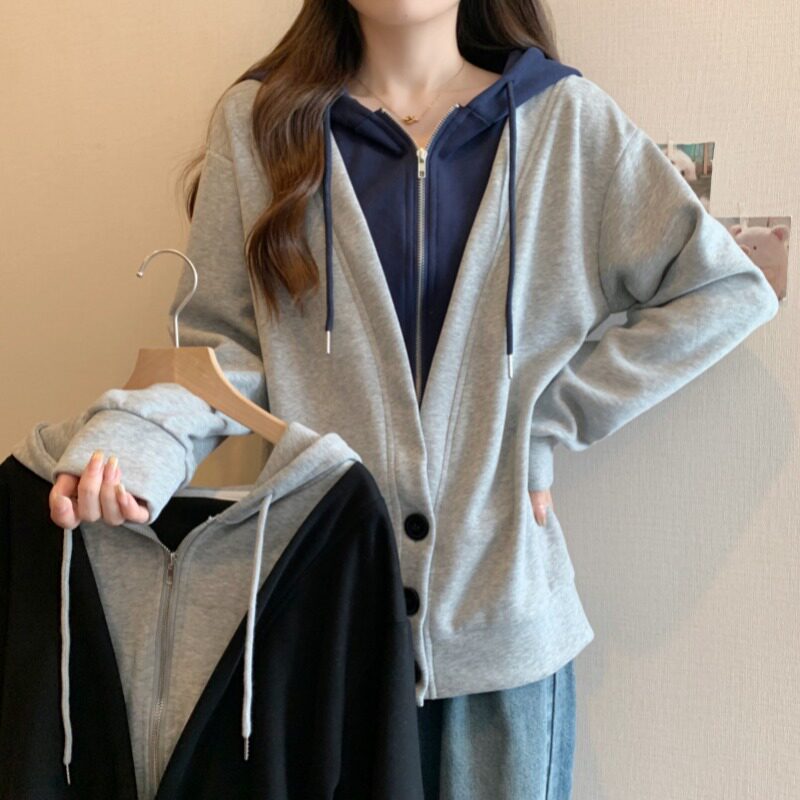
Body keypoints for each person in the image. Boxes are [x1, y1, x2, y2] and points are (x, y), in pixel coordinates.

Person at [38, 1, 780, 798]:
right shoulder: (259, 125)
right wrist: (141, 442)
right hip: (317, 634)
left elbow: (725, 290)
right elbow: (219, 351)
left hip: (500, 639)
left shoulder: (565, 121)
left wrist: (548, 422)